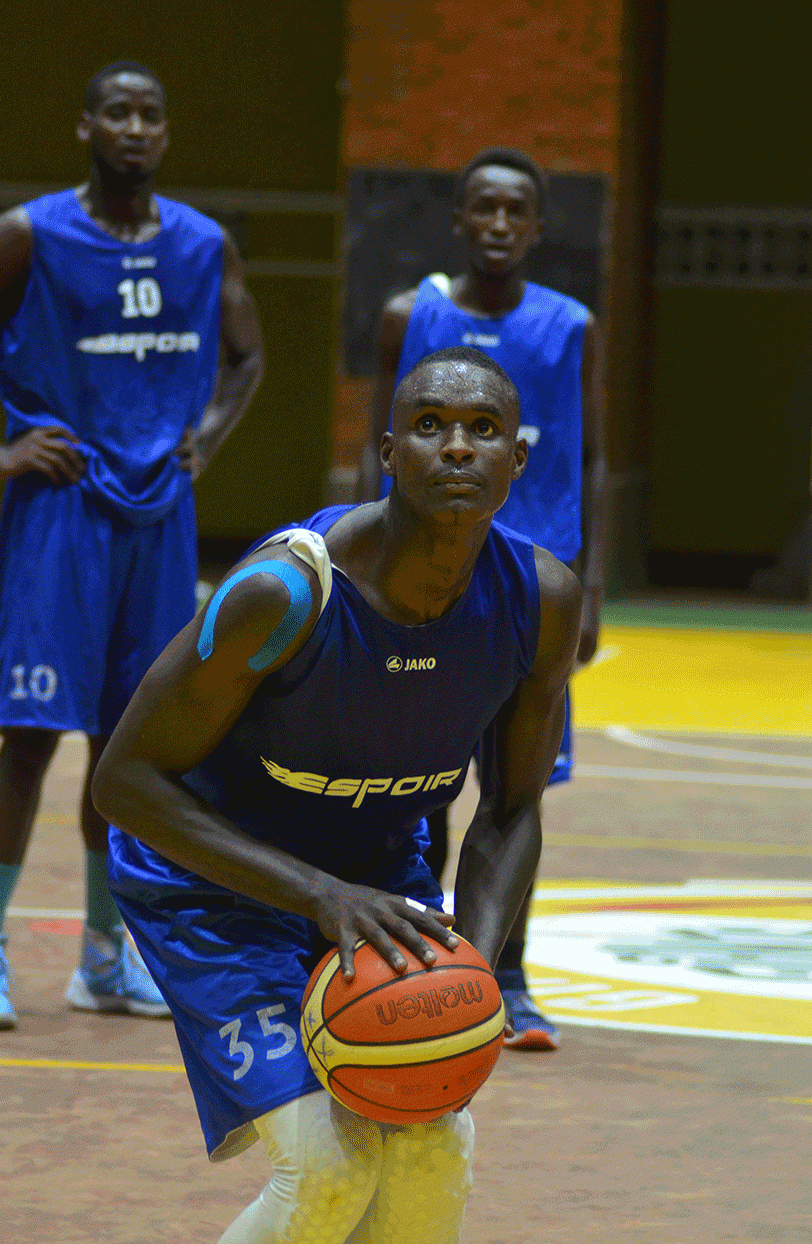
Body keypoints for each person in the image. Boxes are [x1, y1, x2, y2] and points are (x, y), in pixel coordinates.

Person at [91, 347, 581, 1243]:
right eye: (430, 426)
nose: (458, 448)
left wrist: (463, 968)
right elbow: (124, 784)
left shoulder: (542, 601)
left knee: (434, 1149)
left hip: (376, 886)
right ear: (386, 455)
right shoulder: (284, 593)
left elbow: (513, 809)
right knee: (328, 1168)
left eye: (483, 430)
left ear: (519, 460)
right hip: (213, 889)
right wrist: (318, 894)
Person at [0, 61, 263, 1029]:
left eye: (151, 112)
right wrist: (2, 448)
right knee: (27, 739)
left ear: (165, 132)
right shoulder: (27, 235)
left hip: (160, 516)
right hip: (58, 512)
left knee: (129, 743)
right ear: (85, 126)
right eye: (118, 110)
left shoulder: (202, 242)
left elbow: (247, 354)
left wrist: (207, 438)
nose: (135, 126)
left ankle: (106, 957)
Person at [359, 147, 607, 1050]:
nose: (500, 226)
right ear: (459, 221)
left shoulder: (571, 325)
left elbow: (593, 456)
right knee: (416, 784)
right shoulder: (409, 315)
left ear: (538, 227)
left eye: (517, 212)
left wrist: (595, 587)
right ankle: (414, 960)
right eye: (484, 210)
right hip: (424, 582)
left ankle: (508, 974)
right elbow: (373, 454)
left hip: (528, 594)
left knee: (515, 788)